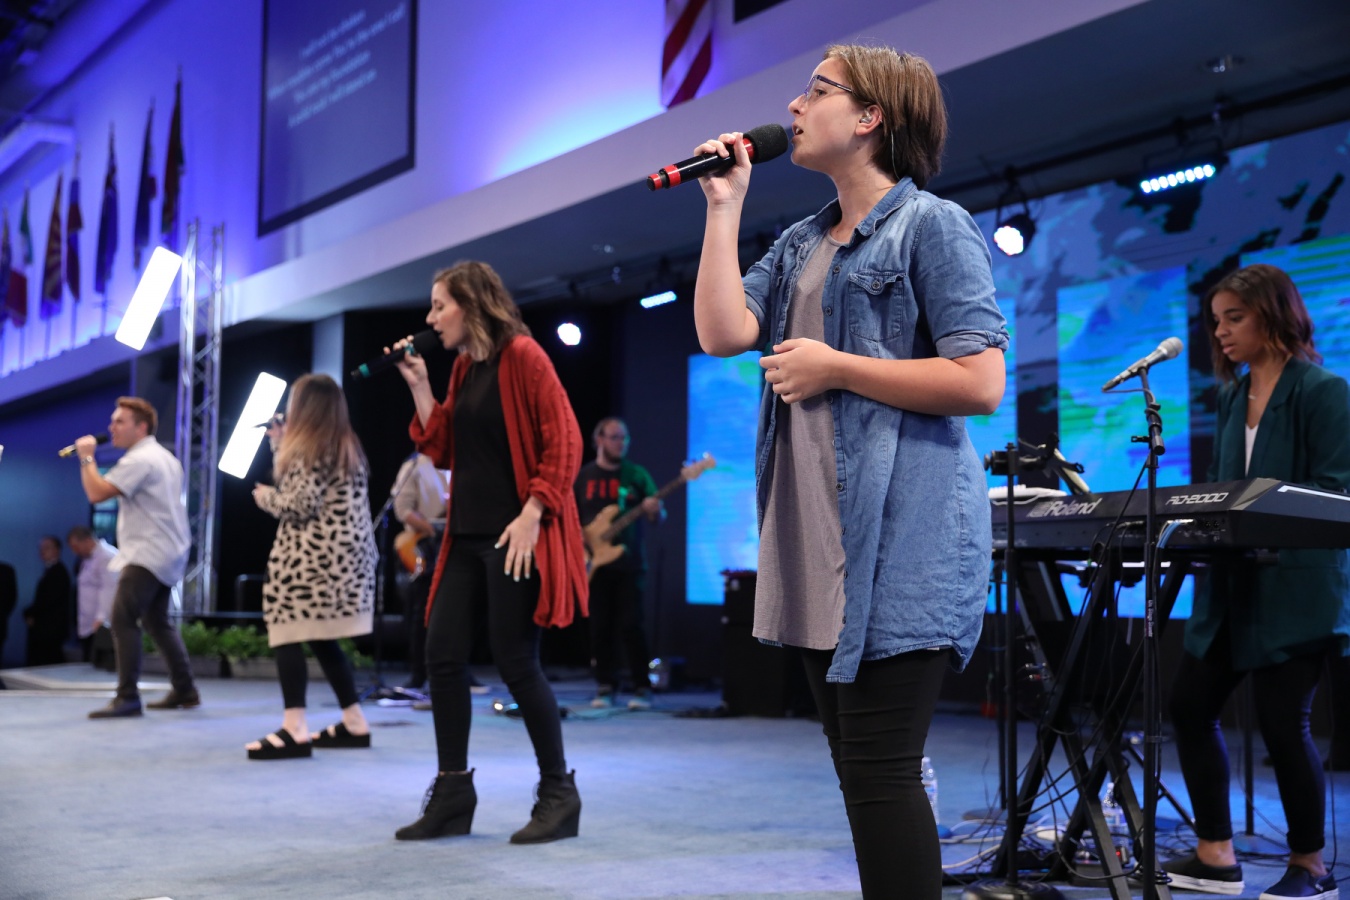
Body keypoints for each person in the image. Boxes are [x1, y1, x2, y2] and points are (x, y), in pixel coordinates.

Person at [689, 45, 1007, 898]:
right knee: (865, 776)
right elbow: (722, 332)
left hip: (901, 546)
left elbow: (980, 381)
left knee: (880, 774)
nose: (794, 106)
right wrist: (724, 206)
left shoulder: (931, 225)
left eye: (816, 91)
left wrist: (837, 367)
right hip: (815, 545)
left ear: (871, 117)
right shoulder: (801, 242)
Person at [1161, 264, 1347, 900]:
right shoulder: (1231, 396)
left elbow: (1336, 492)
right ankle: (1216, 855)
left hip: (1296, 588)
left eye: (1233, 318)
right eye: (1216, 320)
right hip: (1230, 585)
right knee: (1190, 707)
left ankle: (1311, 867)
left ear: (1274, 314)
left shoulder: (1324, 391)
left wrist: (1259, 507)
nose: (1220, 332)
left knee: (1283, 725)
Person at [389, 260, 589, 844]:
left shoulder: (523, 356)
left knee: (515, 660)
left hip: (513, 535)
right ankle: (453, 793)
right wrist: (420, 385)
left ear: (472, 304)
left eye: (439, 306)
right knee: (442, 654)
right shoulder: (463, 368)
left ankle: (559, 792)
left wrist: (534, 511)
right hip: (466, 534)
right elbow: (444, 447)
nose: (431, 319)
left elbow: (565, 439)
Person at [247, 375, 377, 760]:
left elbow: (298, 503)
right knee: (320, 635)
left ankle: (294, 728)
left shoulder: (310, 447)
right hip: (347, 560)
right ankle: (354, 721)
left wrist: (264, 496)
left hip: (311, 560)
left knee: (286, 629)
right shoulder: (346, 445)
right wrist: (279, 443)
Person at [75, 397, 199, 718]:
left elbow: (96, 493)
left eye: (120, 421)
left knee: (122, 618)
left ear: (141, 427)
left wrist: (87, 458)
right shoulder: (165, 458)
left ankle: (128, 697)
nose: (111, 427)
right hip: (167, 550)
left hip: (148, 551)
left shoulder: (139, 459)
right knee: (157, 621)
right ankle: (185, 689)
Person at [575, 417, 663, 710]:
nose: (620, 443)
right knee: (599, 627)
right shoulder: (584, 477)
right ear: (599, 439)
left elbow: (658, 518)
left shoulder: (636, 475)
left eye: (624, 438)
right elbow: (570, 519)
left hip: (629, 563)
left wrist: (654, 510)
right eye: (614, 437)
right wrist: (581, 544)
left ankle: (641, 687)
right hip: (594, 564)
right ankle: (605, 685)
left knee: (631, 625)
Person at [392, 452, 447, 694]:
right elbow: (403, 510)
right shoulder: (415, 465)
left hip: (457, 544)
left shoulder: (463, 462)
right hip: (426, 545)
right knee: (421, 612)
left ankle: (461, 671)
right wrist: (433, 531)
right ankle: (418, 674)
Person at [67, 526, 119, 665]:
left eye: (76, 546)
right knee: (87, 664)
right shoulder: (86, 558)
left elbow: (109, 589)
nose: (75, 551)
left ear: (87, 540)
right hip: (87, 623)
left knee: (98, 665)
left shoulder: (106, 556)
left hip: (101, 624)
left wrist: (101, 618)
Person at [23, 536, 71, 666]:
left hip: (50, 630)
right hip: (46, 628)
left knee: (47, 663)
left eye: (47, 548)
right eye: (41, 548)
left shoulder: (58, 572)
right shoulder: (50, 570)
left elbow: (48, 600)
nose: (42, 551)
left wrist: (30, 613)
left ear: (57, 550)